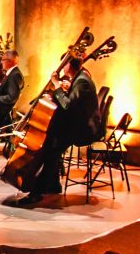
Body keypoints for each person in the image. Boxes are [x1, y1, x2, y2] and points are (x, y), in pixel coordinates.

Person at [10, 53, 99, 204]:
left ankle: (36, 193)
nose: (63, 68)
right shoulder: (79, 79)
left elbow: (68, 106)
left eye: (64, 64)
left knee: (51, 151)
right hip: (76, 124)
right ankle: (53, 185)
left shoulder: (82, 82)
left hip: (81, 130)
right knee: (52, 144)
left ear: (69, 65)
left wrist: (57, 85)